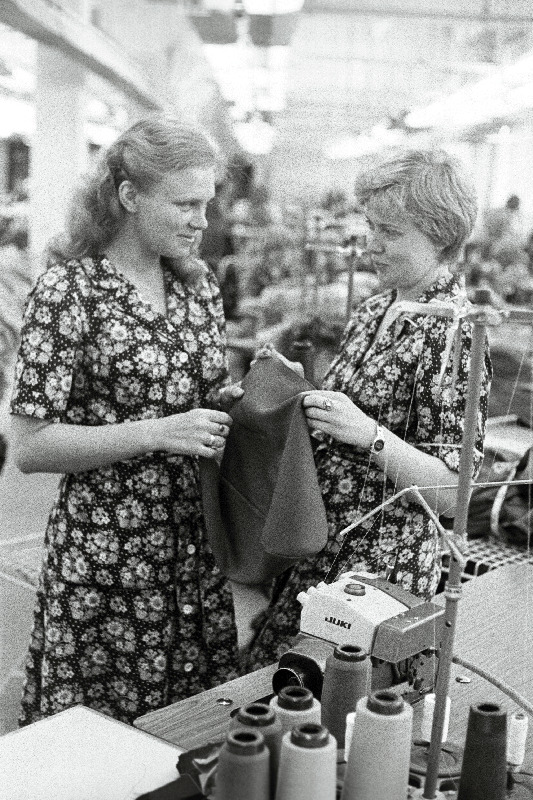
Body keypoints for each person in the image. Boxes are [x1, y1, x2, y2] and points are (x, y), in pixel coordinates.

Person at [9, 116, 245, 726]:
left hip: (192, 555)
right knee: (94, 743)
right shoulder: (69, 294)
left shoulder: (198, 289)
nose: (202, 220)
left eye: (207, 203)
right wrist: (156, 431)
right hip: (106, 562)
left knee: (184, 739)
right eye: (186, 203)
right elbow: (30, 446)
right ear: (130, 196)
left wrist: (247, 399)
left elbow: (201, 399)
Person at [247, 149, 492, 669]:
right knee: (280, 693)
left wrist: (371, 435)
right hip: (324, 544)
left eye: (391, 233)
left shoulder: (455, 334)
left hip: (382, 569)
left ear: (441, 234)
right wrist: (289, 391)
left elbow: (453, 492)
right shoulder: (377, 308)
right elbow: (346, 414)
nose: (372, 245)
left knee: (329, 704)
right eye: (372, 226)